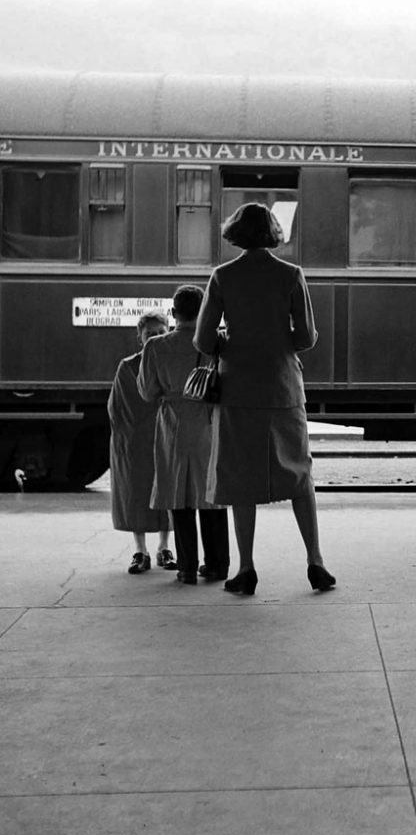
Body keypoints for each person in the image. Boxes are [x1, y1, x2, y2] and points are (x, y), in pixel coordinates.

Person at [194, 201, 335, 596]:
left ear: (236, 233)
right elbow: (305, 338)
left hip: (238, 387)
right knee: (299, 473)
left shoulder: (223, 276)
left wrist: (229, 340)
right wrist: (277, 340)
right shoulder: (291, 274)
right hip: (282, 386)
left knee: (241, 478)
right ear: (272, 232)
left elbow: (203, 340)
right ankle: (315, 561)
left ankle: (246, 568)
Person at [138, 285, 230, 585]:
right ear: (204, 312)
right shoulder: (215, 343)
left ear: (174, 313)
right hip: (208, 421)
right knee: (211, 493)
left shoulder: (155, 347)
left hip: (172, 424)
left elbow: (147, 392)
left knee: (179, 496)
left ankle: (187, 568)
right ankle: (217, 566)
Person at [108, 310, 176, 574]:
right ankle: (140, 550)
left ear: (169, 333)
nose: (155, 338)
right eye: (149, 334)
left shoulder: (173, 363)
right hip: (138, 440)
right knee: (137, 492)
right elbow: (119, 410)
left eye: (160, 333)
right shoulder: (127, 367)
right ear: (140, 338)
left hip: (167, 437)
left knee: (168, 493)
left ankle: (164, 547)